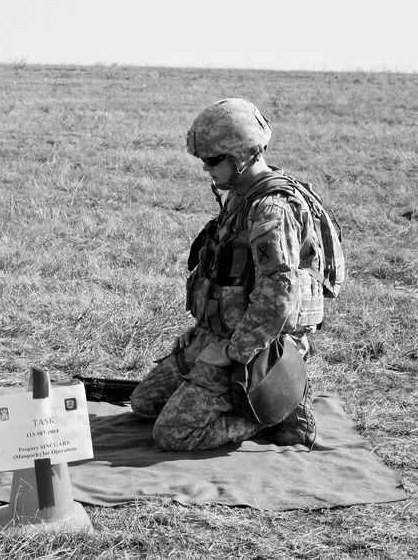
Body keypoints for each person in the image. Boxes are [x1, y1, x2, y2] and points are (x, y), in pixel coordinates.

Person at [130, 98, 321, 451]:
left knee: (172, 434)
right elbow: (227, 277)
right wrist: (200, 332)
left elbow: (279, 293)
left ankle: (273, 413)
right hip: (217, 334)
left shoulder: (271, 209)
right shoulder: (238, 196)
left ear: (243, 155)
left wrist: (234, 353)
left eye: (213, 160)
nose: (206, 168)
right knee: (143, 404)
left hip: (258, 347)